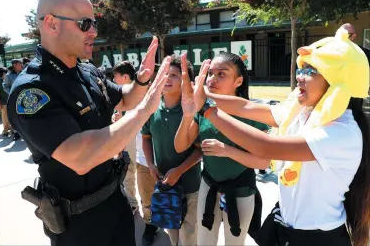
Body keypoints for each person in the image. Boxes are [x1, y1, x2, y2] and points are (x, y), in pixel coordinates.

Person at [6, 0, 171, 246]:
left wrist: (142, 79)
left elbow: (125, 99)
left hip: (115, 200)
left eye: (94, 23)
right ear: (51, 23)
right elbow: (81, 157)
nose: (93, 31)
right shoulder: (31, 91)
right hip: (79, 223)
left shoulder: (87, 71)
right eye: (85, 24)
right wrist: (145, 111)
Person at [181, 28, 370, 246]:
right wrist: (200, 96)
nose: (299, 75)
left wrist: (206, 107)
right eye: (302, 68)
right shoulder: (304, 112)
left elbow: (266, 147)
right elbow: (246, 106)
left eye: (311, 71)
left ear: (336, 80)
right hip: (285, 227)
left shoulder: (341, 131)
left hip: (316, 238)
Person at [174, 52, 269, 246]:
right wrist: (187, 116)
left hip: (241, 191)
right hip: (208, 186)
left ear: (239, 81)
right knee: (204, 241)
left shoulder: (254, 114)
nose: (212, 79)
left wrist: (226, 150)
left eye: (222, 74)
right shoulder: (204, 109)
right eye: (210, 73)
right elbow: (180, 146)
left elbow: (264, 162)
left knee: (234, 242)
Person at [142, 54, 201, 246]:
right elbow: (146, 138)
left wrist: (180, 170)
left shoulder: (192, 110)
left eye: (175, 75)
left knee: (189, 235)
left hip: (189, 186)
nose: (167, 78)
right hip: (165, 186)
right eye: (165, 73)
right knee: (172, 233)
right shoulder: (152, 108)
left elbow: (200, 150)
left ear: (186, 81)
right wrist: (151, 164)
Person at [136, 64, 161, 246]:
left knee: (176, 199)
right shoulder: (133, 99)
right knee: (147, 198)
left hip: (172, 163)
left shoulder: (175, 101)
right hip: (144, 161)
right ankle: (150, 225)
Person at [111, 60, 140, 215]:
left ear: (125, 76)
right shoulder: (128, 90)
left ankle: (133, 204)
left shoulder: (131, 91)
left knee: (129, 169)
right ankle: (132, 201)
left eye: (116, 76)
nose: (114, 80)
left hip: (132, 137)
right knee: (128, 170)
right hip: (125, 136)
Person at [4, 59, 24, 140]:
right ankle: (16, 133)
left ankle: (25, 132)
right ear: (15, 64)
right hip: (15, 99)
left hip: (24, 96)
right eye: (20, 63)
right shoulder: (8, 76)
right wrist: (12, 93)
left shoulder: (24, 73)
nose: (22, 65)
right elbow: (5, 86)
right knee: (16, 116)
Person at [0, 67, 13, 136]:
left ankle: (12, 130)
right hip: (3, 103)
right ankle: (5, 131)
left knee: (11, 117)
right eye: (6, 72)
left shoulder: (7, 79)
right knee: (5, 118)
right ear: (3, 73)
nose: (8, 74)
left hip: (10, 101)